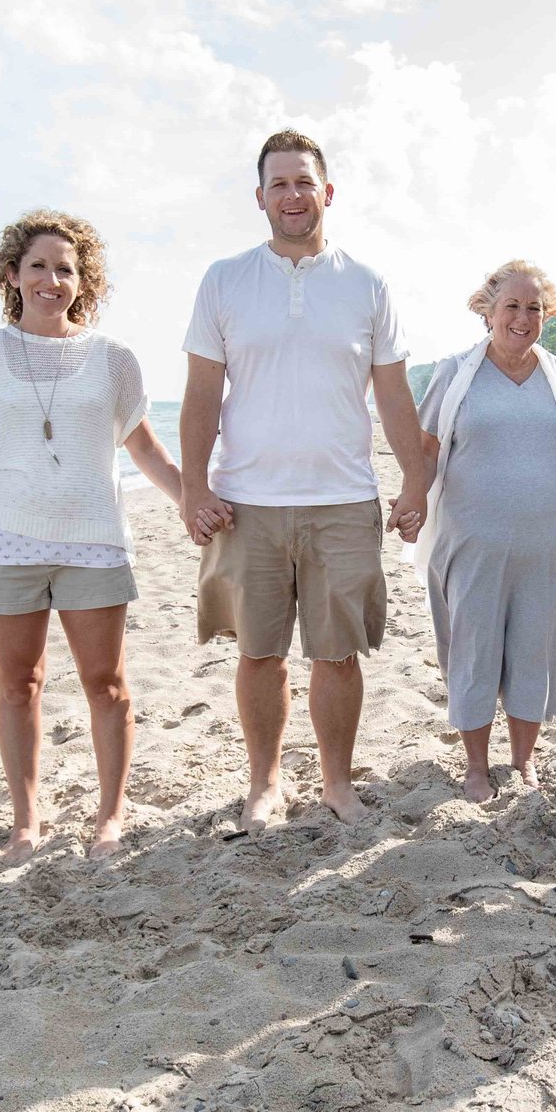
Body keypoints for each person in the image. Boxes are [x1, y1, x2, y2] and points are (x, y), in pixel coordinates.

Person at [179, 130, 430, 829]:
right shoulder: (224, 280)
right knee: (259, 652)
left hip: (344, 499)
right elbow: (201, 393)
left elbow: (393, 393)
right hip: (247, 502)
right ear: (260, 197)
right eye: (279, 183)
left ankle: (336, 782)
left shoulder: (366, 283)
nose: (293, 194)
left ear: (328, 191)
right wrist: (194, 487)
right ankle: (263, 783)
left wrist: (414, 480)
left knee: (337, 653)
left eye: (304, 181)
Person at [0, 210, 188, 860]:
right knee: (19, 684)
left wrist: (193, 500)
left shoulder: (113, 359)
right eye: (38, 265)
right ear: (12, 273)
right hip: (6, 541)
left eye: (65, 269)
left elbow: (146, 449)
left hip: (93, 541)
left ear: (83, 280)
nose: (51, 279)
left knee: (107, 683)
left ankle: (110, 817)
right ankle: (25, 821)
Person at [414, 260, 556, 801]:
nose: (523, 318)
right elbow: (428, 451)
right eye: (512, 306)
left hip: (549, 547)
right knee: (473, 652)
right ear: (488, 310)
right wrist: (411, 499)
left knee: (536, 652)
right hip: (471, 546)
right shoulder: (454, 374)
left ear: (546, 315)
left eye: (534, 308)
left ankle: (523, 763)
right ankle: (477, 767)